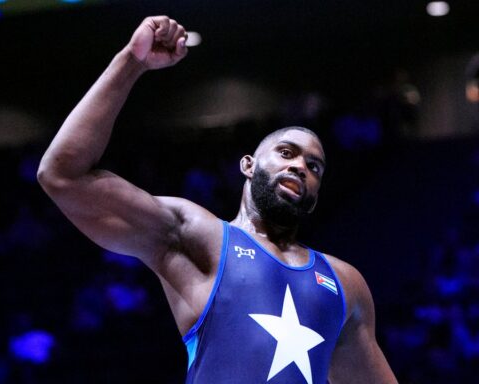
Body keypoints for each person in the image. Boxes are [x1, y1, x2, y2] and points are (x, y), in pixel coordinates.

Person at [37, 15, 398, 384]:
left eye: (314, 166)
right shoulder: (198, 236)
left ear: (317, 195)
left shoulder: (345, 285)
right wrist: (132, 61)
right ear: (248, 165)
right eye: (286, 152)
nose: (300, 166)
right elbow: (63, 175)